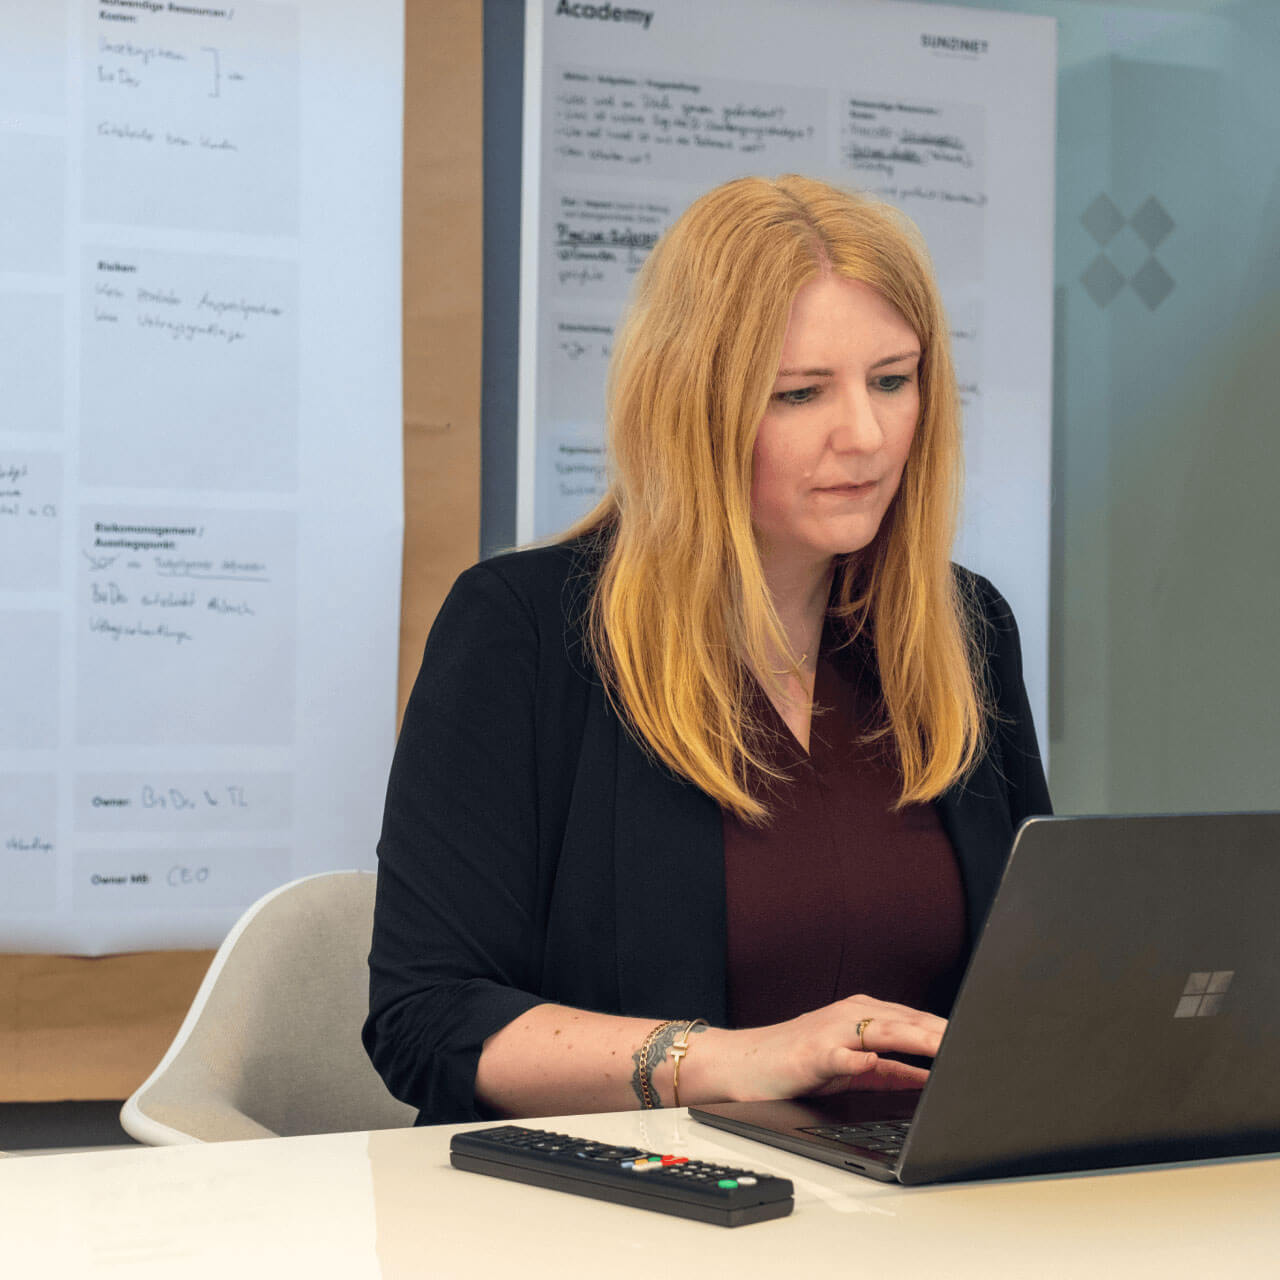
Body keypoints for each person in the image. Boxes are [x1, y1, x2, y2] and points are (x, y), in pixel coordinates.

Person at [364, 174, 1051, 1126]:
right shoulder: (521, 631)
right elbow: (426, 1019)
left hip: (908, 1219)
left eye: (893, 380)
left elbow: (1030, 993)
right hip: (633, 1223)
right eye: (801, 393)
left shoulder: (966, 628)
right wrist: (725, 1061)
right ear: (695, 406)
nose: (866, 434)